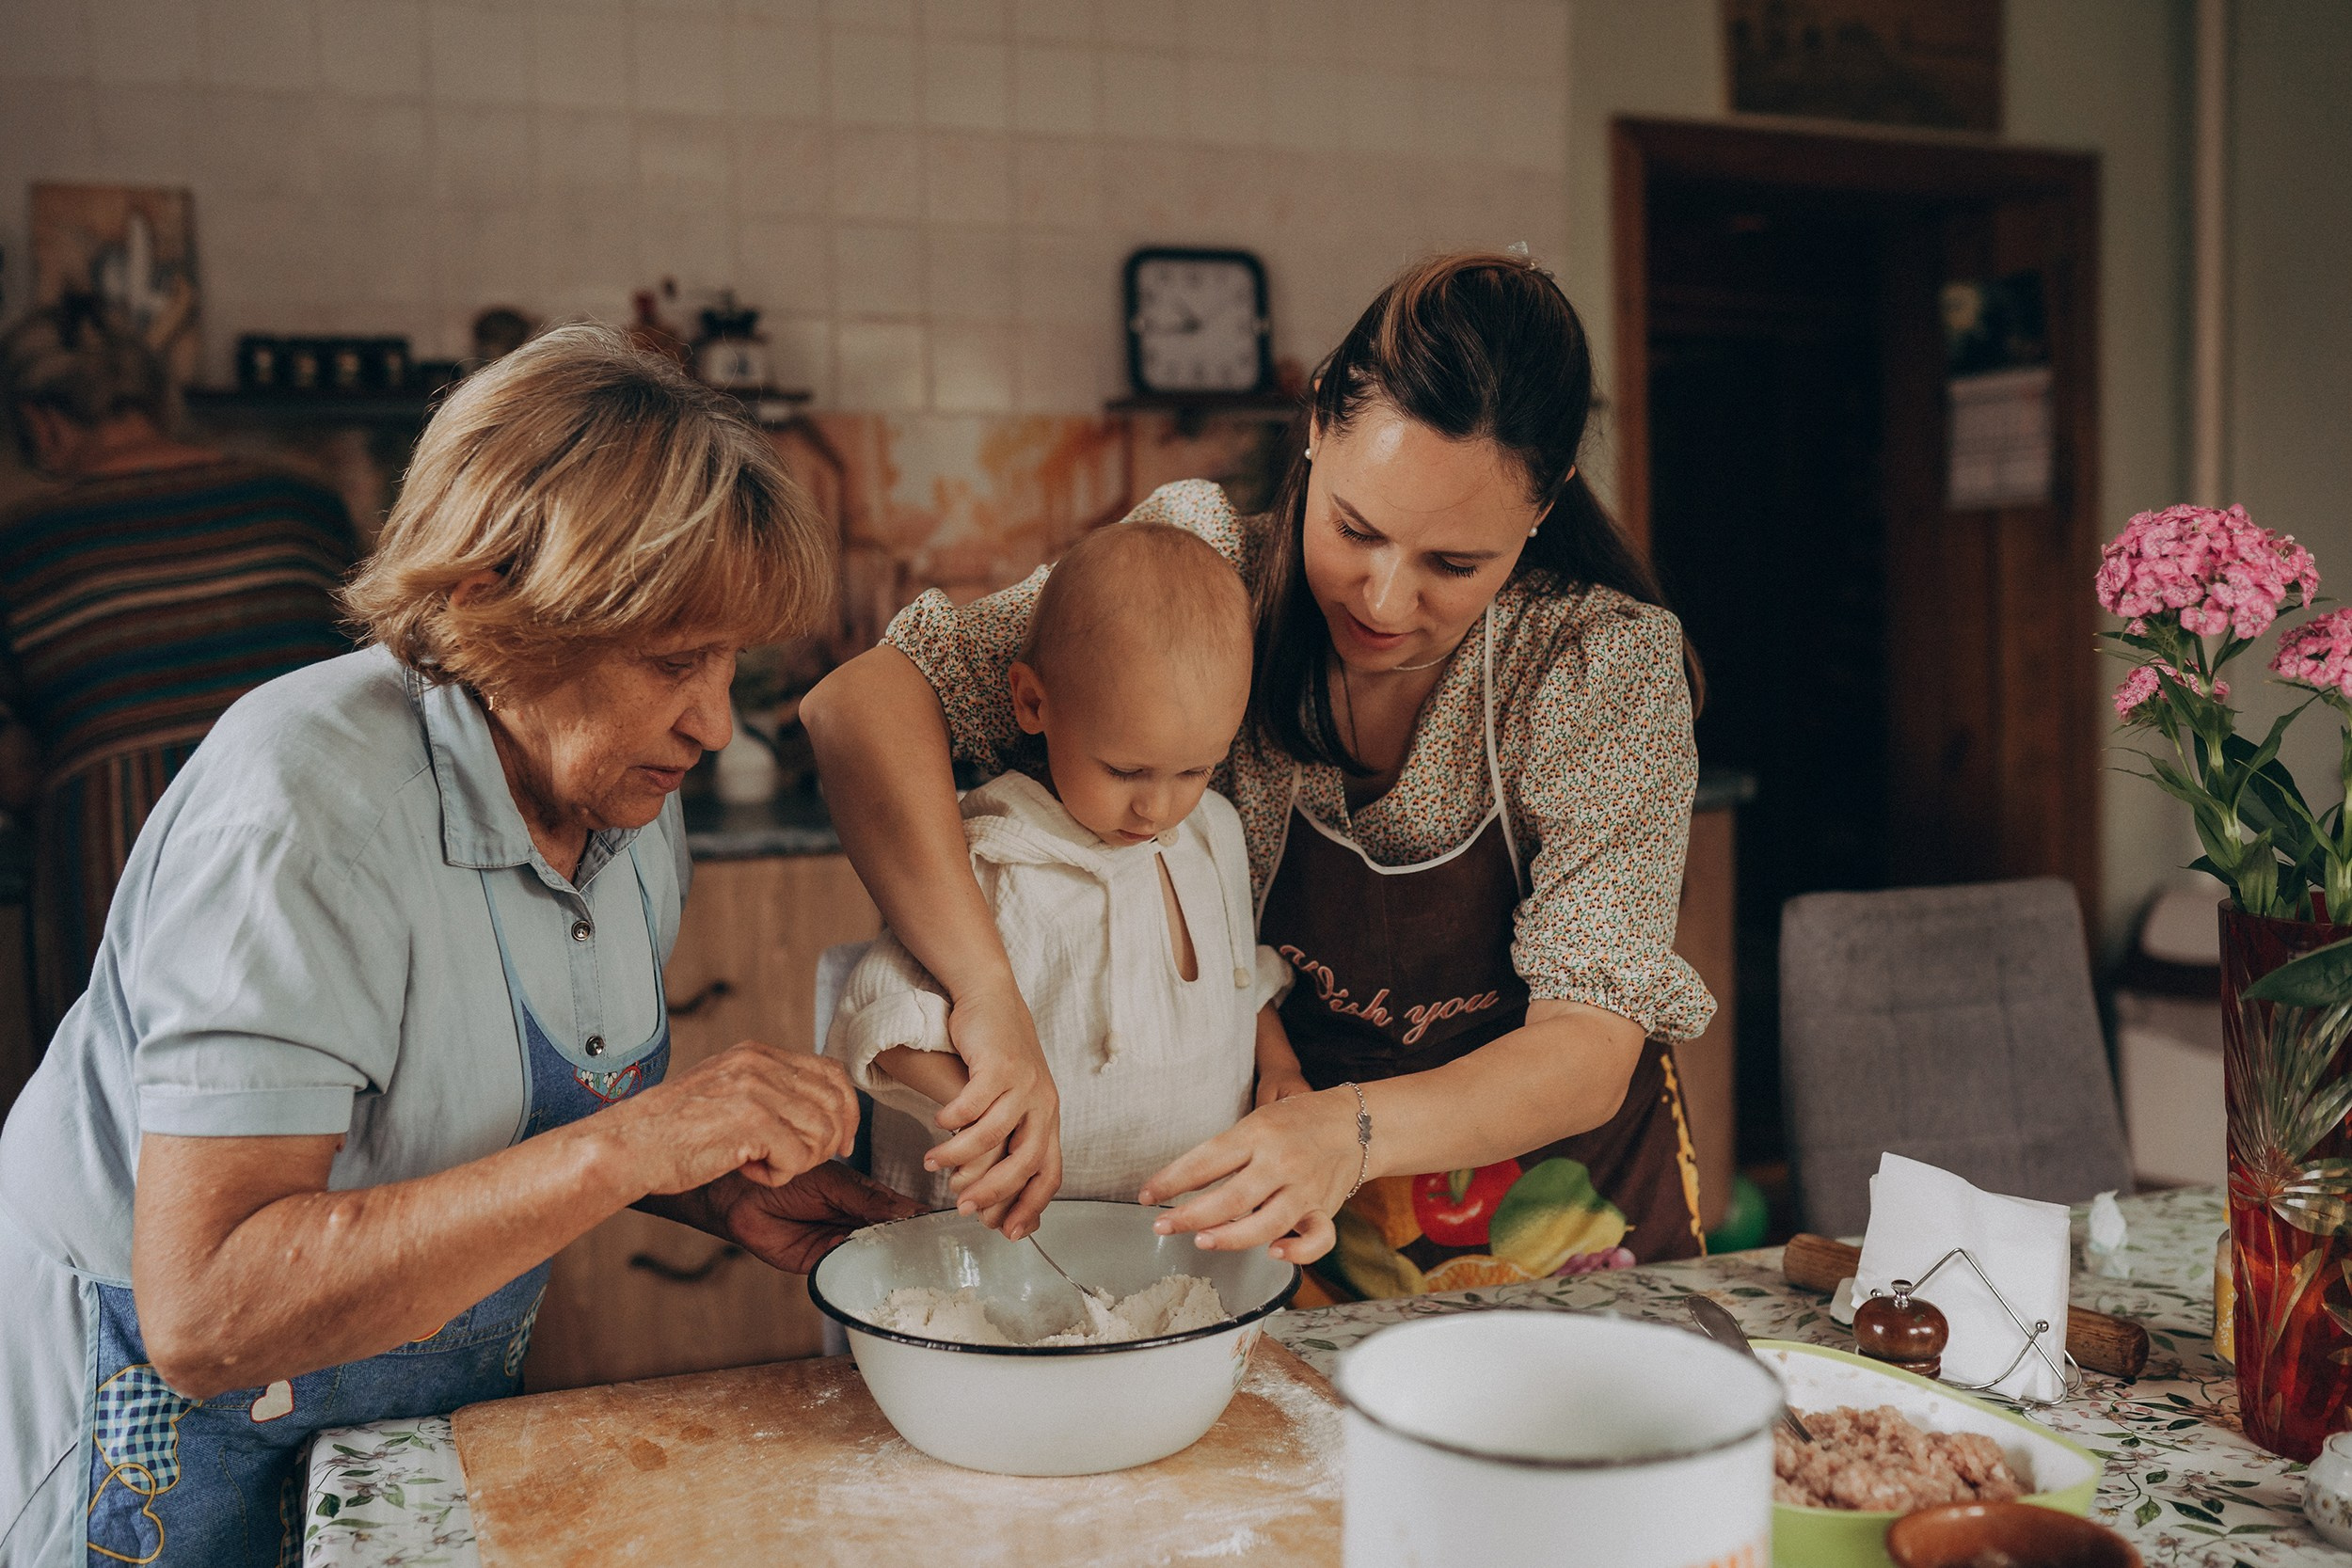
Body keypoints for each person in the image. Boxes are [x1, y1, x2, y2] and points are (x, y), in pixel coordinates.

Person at [0, 324, 919, 1568]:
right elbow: (206, 1305)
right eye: (672, 659)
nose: (713, 719)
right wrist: (631, 1141)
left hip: (388, 1415)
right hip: (153, 1437)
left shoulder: (625, 796)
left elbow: (509, 1123)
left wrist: (719, 1184)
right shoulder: (300, 811)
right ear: (492, 603)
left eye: (731, 662)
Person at [802, 251, 1713, 1302]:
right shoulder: (1206, 577)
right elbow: (859, 707)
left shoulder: (1596, 665)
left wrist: (1346, 1130)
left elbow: (1588, 1047)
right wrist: (988, 993)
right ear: (1320, 420)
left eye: (1451, 565)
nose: (1382, 597)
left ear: (1544, 503)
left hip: (1558, 1216)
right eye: (1354, 529)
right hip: (1277, 1204)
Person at [825, 523, 1295, 1210]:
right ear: (1033, 703)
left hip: (1173, 1246)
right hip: (1007, 1249)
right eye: (1125, 769)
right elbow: (880, 1021)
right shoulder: (993, 856)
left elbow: (1236, 981)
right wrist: (986, 1113)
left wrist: (1278, 1063)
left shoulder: (1214, 831)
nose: (1157, 806)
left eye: (1196, 768)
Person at [0, 303, 359, 1035]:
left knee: (124, 1113)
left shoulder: (24, 545)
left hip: (120, 876)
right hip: (312, 856)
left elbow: (12, 768)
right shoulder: (303, 502)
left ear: (41, 421)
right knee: (339, 1091)